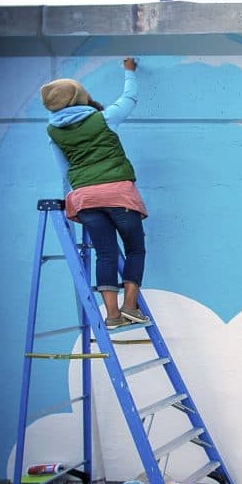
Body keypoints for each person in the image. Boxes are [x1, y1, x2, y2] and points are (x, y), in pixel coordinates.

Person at [41, 57, 150, 330]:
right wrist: (129, 72)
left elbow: (64, 171)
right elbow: (129, 99)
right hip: (119, 194)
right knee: (135, 249)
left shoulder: (54, 132)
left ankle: (112, 316)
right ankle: (130, 307)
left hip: (85, 199)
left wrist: (72, 201)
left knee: (105, 254)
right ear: (79, 96)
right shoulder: (102, 118)